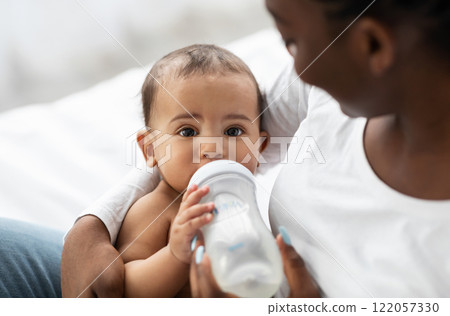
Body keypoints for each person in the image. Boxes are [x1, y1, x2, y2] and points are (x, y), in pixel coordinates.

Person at [112, 44, 271, 297]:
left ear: (259, 148)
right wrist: (174, 255)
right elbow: (126, 289)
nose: (212, 148)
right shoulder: (155, 209)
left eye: (233, 131)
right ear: (151, 149)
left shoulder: (248, 203)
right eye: (188, 131)